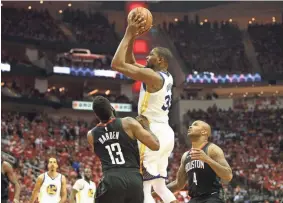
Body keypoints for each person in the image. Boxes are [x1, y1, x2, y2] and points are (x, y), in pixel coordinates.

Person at [111, 13, 177, 203]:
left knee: (143, 187)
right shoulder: (166, 77)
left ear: (162, 61)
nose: (148, 57)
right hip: (166, 133)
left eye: (152, 56)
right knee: (160, 187)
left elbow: (117, 64)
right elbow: (131, 62)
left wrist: (128, 32)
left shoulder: (154, 77)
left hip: (151, 132)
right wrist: (133, 37)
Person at [87, 96, 160, 203]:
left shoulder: (91, 135)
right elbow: (155, 145)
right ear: (112, 108)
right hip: (133, 179)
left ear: (96, 115)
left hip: (111, 178)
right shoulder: (128, 123)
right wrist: (146, 127)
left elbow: (99, 152)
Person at [153, 120, 233, 203]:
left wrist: (207, 159)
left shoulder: (212, 149)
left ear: (204, 132)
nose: (190, 127)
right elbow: (178, 184)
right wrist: (152, 193)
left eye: (195, 125)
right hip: (194, 199)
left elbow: (228, 175)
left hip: (212, 197)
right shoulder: (185, 156)